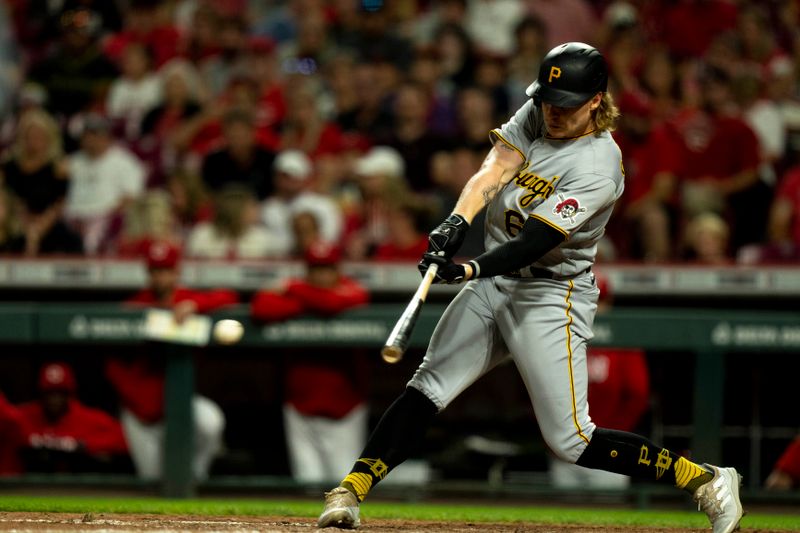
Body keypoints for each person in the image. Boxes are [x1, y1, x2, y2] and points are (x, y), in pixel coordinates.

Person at [317, 43, 744, 533]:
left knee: (572, 441)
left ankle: (705, 479)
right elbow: (494, 170)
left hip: (550, 294)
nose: (553, 112)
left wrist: (469, 269)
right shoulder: (540, 114)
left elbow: (534, 243)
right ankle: (350, 490)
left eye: (566, 104)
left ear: (595, 101)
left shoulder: (598, 166)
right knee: (428, 385)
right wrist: (456, 221)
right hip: (495, 281)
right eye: (548, 100)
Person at [105, 240, 235, 480]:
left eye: (165, 270)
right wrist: (135, 399)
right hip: (141, 411)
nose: (160, 277)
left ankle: (196, 476)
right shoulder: (134, 306)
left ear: (176, 272)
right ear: (148, 273)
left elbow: (228, 296)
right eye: (155, 271)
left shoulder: (186, 298)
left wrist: (196, 304)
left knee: (210, 422)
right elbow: (112, 364)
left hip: (178, 401)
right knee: (153, 480)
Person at [251, 241, 369, 483]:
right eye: (316, 269)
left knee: (345, 488)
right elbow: (261, 307)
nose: (321, 275)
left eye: (327, 268)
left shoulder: (350, 290)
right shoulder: (302, 297)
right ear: (308, 271)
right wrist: (305, 298)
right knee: (306, 485)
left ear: (338, 270)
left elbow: (333, 303)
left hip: (345, 411)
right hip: (300, 408)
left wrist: (292, 288)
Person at [549, 273, 650, 490]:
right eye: (586, 299)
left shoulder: (623, 342)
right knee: (559, 518)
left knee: (610, 514)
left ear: (609, 303)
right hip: (566, 451)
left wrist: (613, 437)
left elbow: (637, 394)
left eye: (599, 301)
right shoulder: (559, 335)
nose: (593, 306)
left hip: (608, 452)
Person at [17, 362, 128, 473]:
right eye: (49, 393)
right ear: (41, 394)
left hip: (77, 485)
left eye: (60, 393)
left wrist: (86, 445)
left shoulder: (88, 418)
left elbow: (125, 440)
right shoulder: (25, 415)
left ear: (70, 395)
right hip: (32, 483)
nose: (54, 399)